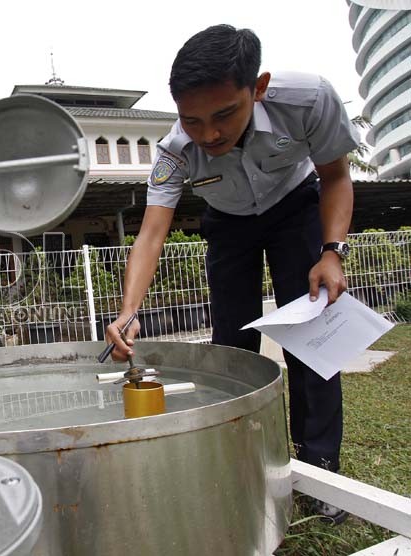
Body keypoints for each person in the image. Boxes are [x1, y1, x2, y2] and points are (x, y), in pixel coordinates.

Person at [106, 24, 356, 525]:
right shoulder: (175, 151)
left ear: (257, 88)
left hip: (297, 208)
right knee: (231, 349)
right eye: (192, 120)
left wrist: (332, 252)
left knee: (311, 342)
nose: (210, 134)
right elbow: (152, 233)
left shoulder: (308, 100)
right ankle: (242, 461)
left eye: (224, 114)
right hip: (229, 225)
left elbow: (336, 175)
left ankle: (320, 467)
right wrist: (128, 312)